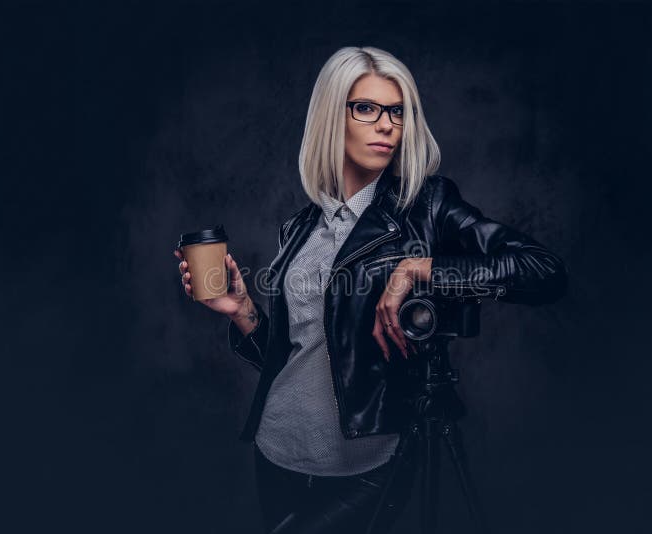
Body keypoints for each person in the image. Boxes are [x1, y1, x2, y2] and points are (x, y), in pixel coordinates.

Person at [174, 46, 568, 534]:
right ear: (331, 115)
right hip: (277, 450)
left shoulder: (426, 204)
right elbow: (299, 357)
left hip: (366, 464)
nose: (386, 124)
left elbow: (542, 270)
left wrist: (417, 268)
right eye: (366, 107)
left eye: (397, 111)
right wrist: (241, 311)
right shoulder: (299, 228)